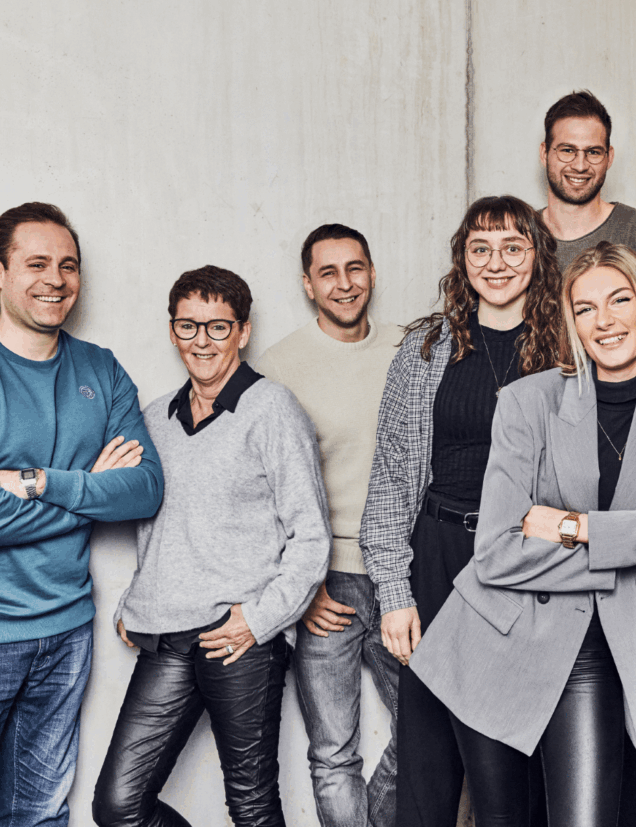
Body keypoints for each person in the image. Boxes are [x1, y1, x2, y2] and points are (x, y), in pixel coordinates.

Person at [409, 242, 636, 826]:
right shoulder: (527, 401)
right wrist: (635, 548)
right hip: (495, 634)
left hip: (596, 646)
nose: (604, 321)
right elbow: (498, 554)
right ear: (571, 324)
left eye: (619, 299)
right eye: (584, 309)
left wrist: (575, 528)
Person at [0, 202, 164, 827]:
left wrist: (39, 481)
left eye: (68, 265)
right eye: (37, 263)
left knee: (41, 818)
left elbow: (146, 489)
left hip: (66, 633)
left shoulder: (99, 370)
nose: (56, 279)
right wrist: (89, 495)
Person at [93, 265, 332, 827]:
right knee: (119, 807)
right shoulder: (154, 419)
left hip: (239, 641)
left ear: (243, 332)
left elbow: (311, 535)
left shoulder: (273, 410)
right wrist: (137, 600)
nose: (202, 341)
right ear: (172, 331)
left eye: (218, 327)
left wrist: (258, 619)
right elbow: (157, 525)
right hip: (167, 637)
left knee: (250, 806)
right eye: (188, 326)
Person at [359, 195, 563, 827]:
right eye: (481, 248)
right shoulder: (425, 348)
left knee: (508, 757)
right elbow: (391, 478)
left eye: (513, 247)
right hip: (440, 556)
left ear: (538, 256)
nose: (496, 263)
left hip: (525, 565)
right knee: (428, 756)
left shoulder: (566, 345)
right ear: (461, 259)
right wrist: (395, 592)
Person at [257, 224, 401, 827]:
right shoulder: (278, 366)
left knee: (434, 728)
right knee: (333, 752)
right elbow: (260, 494)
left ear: (372, 272)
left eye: (356, 268)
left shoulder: (409, 348)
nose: (345, 284)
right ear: (309, 285)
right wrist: (302, 588)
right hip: (328, 583)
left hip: (402, 576)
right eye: (329, 273)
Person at [538, 90, 636, 269]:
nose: (580, 166)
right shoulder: (520, 234)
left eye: (593, 152)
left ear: (609, 157)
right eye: (567, 150)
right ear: (544, 154)